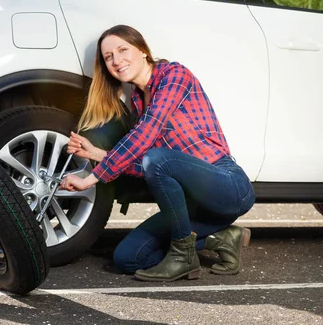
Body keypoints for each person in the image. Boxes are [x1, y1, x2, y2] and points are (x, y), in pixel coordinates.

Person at [60, 25, 255, 282]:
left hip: (227, 186)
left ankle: (184, 257)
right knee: (127, 258)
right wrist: (96, 153)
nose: (117, 61)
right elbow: (148, 169)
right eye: (109, 57)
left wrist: (90, 179)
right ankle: (221, 238)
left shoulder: (174, 75)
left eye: (122, 50)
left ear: (142, 51)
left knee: (156, 157)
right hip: (192, 207)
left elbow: (150, 139)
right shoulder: (139, 104)